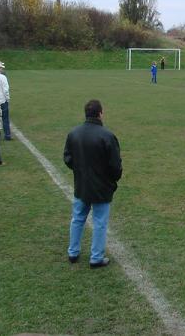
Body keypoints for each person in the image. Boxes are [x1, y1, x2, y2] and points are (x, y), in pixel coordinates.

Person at [64, 99, 122, 268]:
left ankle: (73, 252)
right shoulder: (107, 136)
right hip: (101, 188)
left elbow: (68, 158)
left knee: (78, 218)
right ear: (100, 114)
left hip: (81, 185)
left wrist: (80, 171)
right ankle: (96, 257)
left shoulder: (74, 133)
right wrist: (112, 179)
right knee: (100, 222)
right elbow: (115, 166)